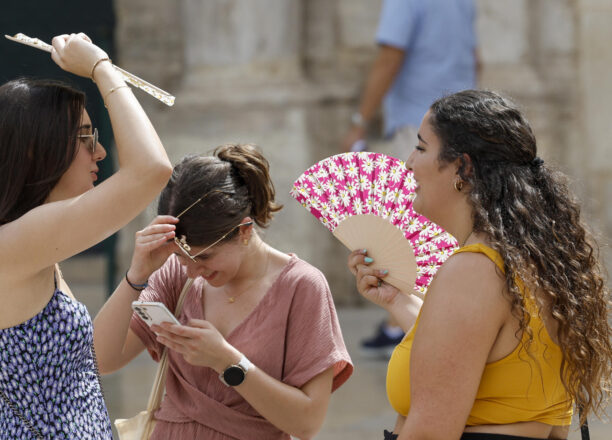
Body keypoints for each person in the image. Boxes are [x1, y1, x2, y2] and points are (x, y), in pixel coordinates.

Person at [348, 90, 612, 439]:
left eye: (422, 147)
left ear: (463, 167)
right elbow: (482, 356)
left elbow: (431, 433)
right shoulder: (535, 259)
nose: (409, 162)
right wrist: (399, 300)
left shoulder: (473, 270)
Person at [0, 33, 173, 438]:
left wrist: (136, 278)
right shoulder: (16, 241)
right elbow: (152, 169)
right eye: (86, 137)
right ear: (37, 148)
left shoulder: (21, 242)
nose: (101, 152)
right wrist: (100, 67)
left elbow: (91, 360)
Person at [93, 143, 353, 440]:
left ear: (244, 231)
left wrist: (227, 361)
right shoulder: (176, 275)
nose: (192, 271)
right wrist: (136, 275)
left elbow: (307, 423)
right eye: (180, 257)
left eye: (203, 257)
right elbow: (100, 359)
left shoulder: (302, 286)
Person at [341, 0, 480, 356]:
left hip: (421, 122)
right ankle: (424, 320)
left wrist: (360, 120)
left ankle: (401, 324)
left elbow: (390, 57)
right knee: (454, 224)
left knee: (416, 224)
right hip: (463, 122)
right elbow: (475, 57)